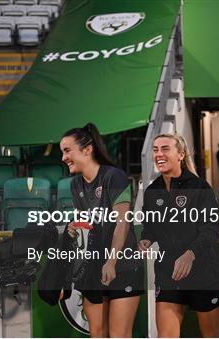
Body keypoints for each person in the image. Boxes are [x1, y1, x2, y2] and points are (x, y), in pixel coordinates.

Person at [60, 123, 143, 337]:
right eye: (62, 152)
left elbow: (122, 223)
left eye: (67, 150)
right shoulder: (75, 184)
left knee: (119, 335)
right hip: (93, 268)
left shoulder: (114, 176)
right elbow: (86, 224)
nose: (63, 158)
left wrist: (112, 261)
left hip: (122, 266)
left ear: (87, 149)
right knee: (97, 333)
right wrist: (74, 228)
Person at [138, 134, 219, 338]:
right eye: (156, 149)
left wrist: (190, 254)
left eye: (165, 148)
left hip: (203, 273)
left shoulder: (200, 188)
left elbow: (210, 230)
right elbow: (150, 226)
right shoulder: (152, 191)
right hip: (169, 274)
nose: (159, 154)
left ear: (181, 154)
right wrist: (146, 239)